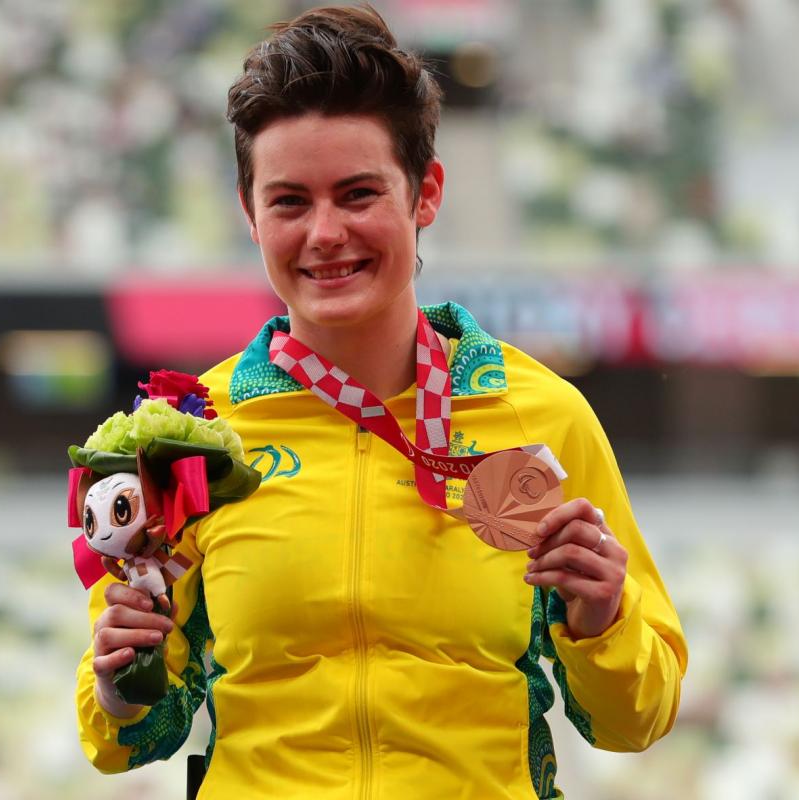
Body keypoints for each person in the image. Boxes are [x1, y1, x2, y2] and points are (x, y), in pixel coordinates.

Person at [76, 6, 687, 798]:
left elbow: (633, 720)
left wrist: (602, 621)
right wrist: (123, 683)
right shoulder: (196, 434)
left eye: (358, 193)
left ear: (425, 192)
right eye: (289, 201)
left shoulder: (543, 415)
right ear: (249, 213)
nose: (326, 233)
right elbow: (124, 739)